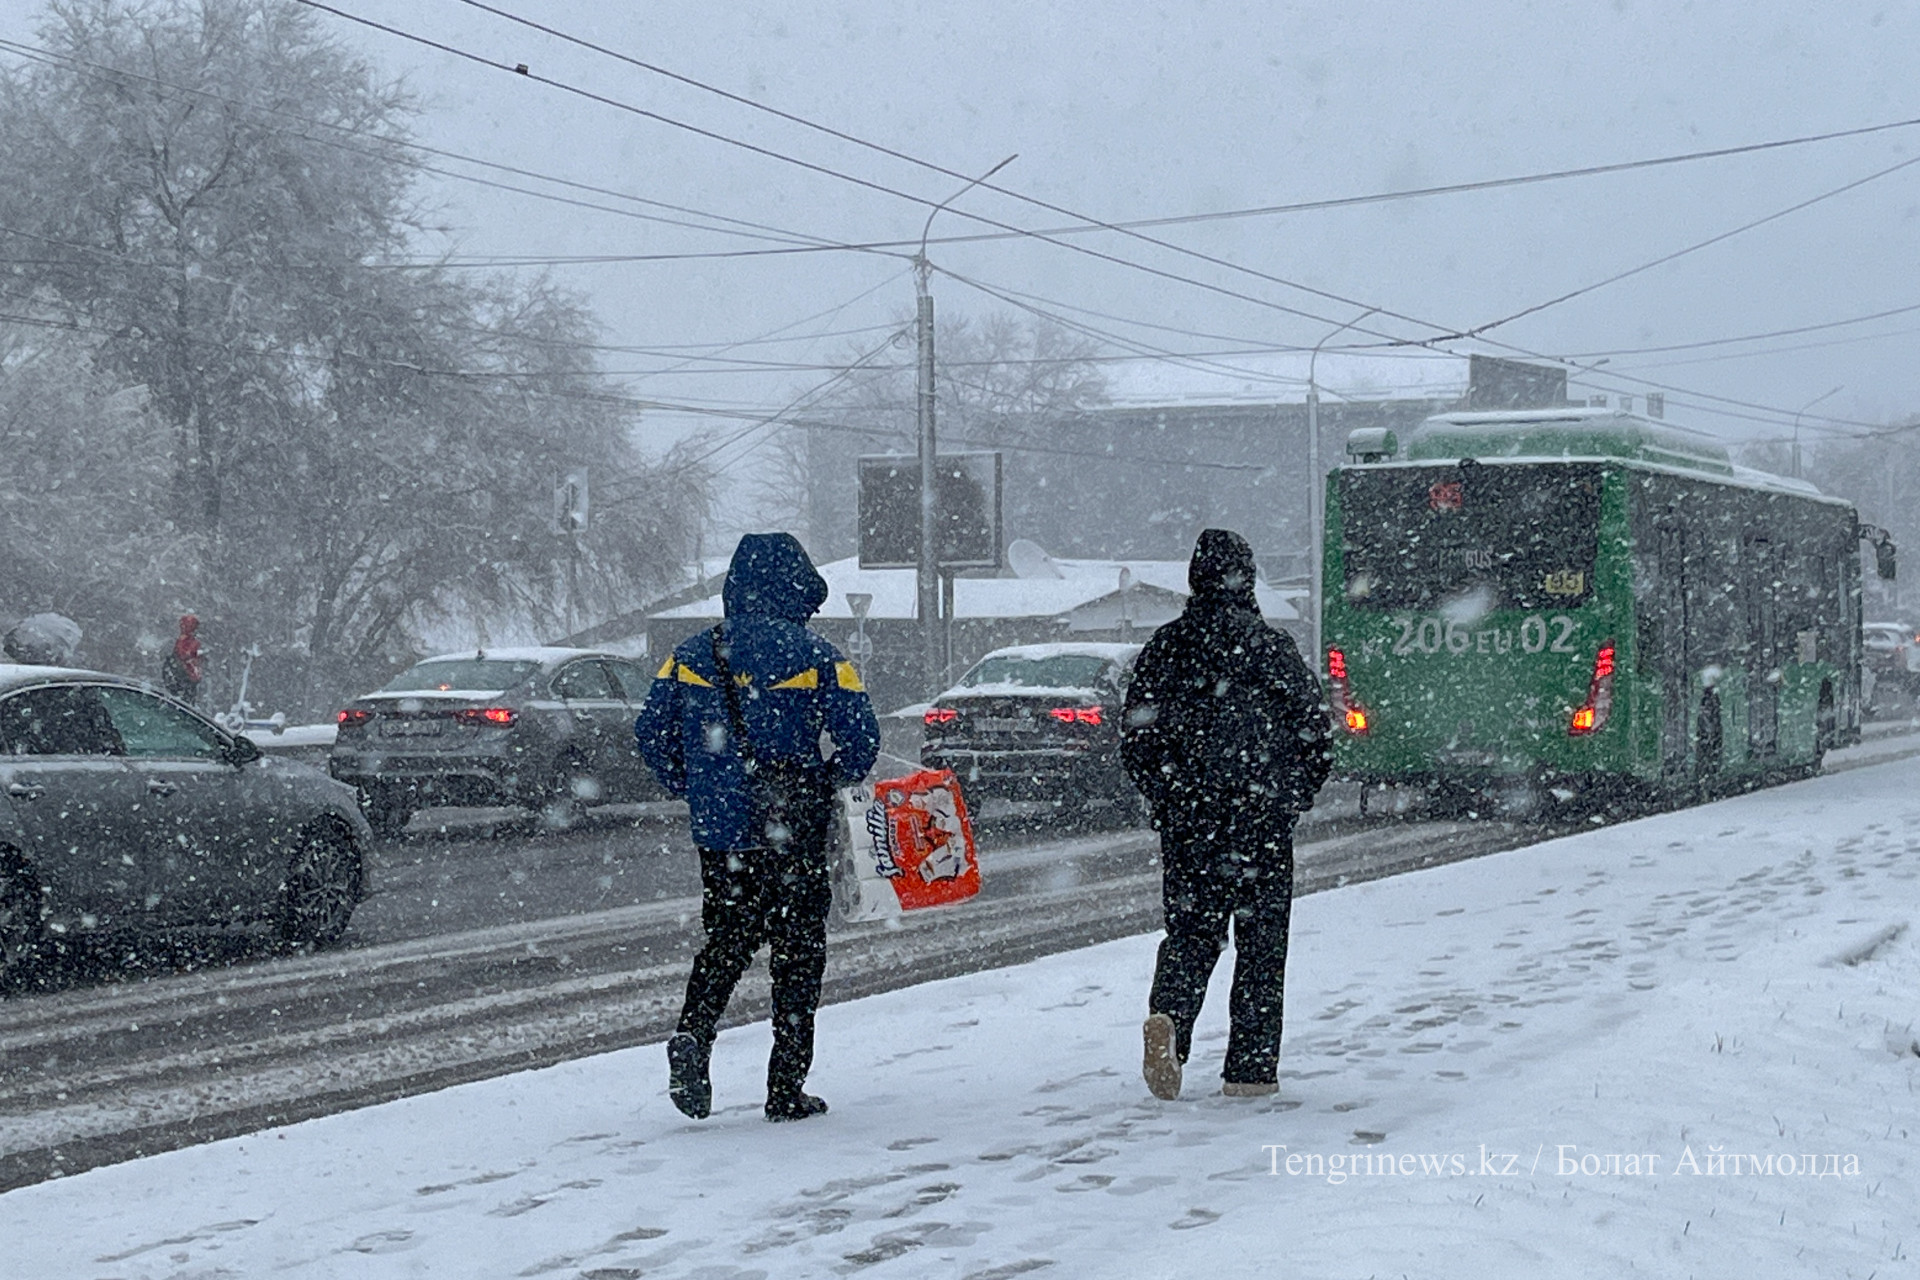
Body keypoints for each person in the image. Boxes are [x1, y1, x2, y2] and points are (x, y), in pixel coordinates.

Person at [635, 533, 880, 1123]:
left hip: (721, 834)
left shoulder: (690, 654)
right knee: (798, 953)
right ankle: (785, 1087)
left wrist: (695, 787)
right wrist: (824, 781)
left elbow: (650, 734)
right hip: (792, 830)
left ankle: (693, 1034)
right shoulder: (819, 656)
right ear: (796, 588)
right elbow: (861, 740)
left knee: (726, 940)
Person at [1119, 529, 1331, 1100]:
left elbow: (1137, 738)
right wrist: (1292, 794)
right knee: (1262, 946)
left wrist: (1168, 796)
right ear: (1247, 578)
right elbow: (1314, 730)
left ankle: (1170, 1018)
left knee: (1191, 933)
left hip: (1190, 821)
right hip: (1262, 820)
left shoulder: (1165, 647)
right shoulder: (1271, 648)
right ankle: (1250, 1072)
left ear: (1194, 580)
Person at [161, 614, 204, 705]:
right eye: (185, 625)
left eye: (189, 626)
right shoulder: (178, 642)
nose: (185, 628)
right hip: (180, 679)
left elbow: (193, 663)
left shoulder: (193, 643)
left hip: (183, 680)